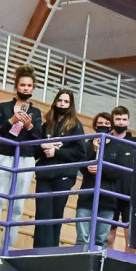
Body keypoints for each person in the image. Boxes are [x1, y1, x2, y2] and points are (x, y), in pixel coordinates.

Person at [0, 66, 44, 249]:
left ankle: (7, 247)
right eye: (23, 85)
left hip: (26, 158)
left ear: (33, 88)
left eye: (29, 85)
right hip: (5, 154)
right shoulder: (4, 107)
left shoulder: (35, 113)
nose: (26, 88)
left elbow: (38, 139)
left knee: (18, 205)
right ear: (16, 86)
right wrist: (10, 121)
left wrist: (28, 126)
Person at [32, 89, 85, 249]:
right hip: (44, 175)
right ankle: (38, 251)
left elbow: (80, 152)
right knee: (42, 214)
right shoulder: (46, 125)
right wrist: (43, 146)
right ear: (55, 102)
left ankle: (51, 252)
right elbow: (34, 151)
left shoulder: (76, 126)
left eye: (66, 102)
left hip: (63, 176)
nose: (62, 104)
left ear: (71, 105)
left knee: (56, 215)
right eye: (60, 101)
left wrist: (57, 152)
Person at [75, 113, 127, 246]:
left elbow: (118, 172)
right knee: (82, 238)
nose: (103, 126)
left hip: (107, 200)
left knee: (101, 240)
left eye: (106, 124)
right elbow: (82, 167)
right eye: (100, 124)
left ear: (111, 126)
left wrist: (101, 168)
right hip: (87, 197)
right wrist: (94, 150)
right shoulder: (87, 145)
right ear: (94, 126)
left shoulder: (118, 147)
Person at [106, 106, 136, 249]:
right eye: (118, 119)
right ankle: (106, 266)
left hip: (130, 195)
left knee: (130, 238)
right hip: (110, 194)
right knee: (109, 237)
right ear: (112, 120)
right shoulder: (106, 140)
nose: (121, 122)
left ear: (128, 121)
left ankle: (129, 269)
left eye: (124, 119)